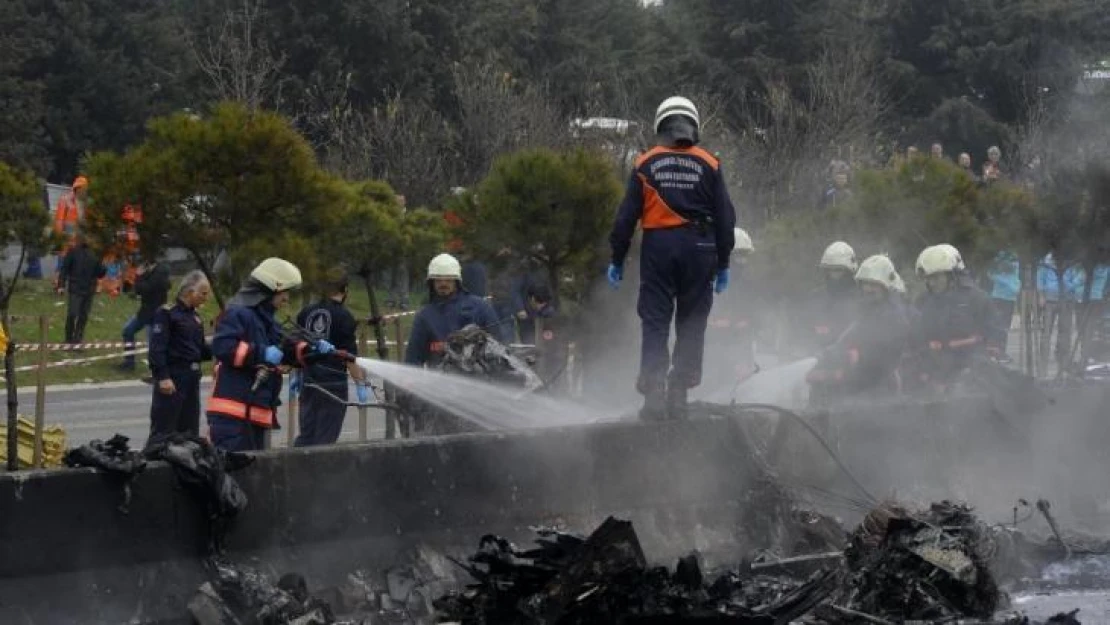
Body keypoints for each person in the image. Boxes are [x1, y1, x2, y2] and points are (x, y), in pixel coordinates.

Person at [607, 95, 738, 421]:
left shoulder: (645, 164)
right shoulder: (710, 164)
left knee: (656, 320)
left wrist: (617, 257)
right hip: (700, 249)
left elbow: (625, 218)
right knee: (692, 322)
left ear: (660, 123)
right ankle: (678, 393)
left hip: (659, 248)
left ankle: (653, 395)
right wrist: (723, 264)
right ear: (692, 124)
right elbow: (725, 217)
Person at [207, 258, 335, 452]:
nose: (286, 299)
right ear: (270, 290)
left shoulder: (266, 321)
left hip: (255, 414)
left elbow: (287, 350)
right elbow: (223, 347)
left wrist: (312, 351)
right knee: (236, 477)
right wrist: (261, 353)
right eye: (285, 292)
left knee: (255, 477)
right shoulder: (238, 314)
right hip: (233, 416)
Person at [806, 254, 910, 402]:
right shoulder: (868, 313)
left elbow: (882, 357)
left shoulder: (893, 317)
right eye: (865, 284)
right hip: (862, 387)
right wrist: (830, 355)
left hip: (880, 392)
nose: (868, 289)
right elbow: (849, 339)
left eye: (874, 285)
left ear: (885, 287)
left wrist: (850, 357)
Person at [292, 268, 368, 447]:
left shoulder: (306, 312)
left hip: (308, 383)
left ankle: (298, 469)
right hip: (333, 386)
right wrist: (360, 385)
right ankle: (316, 474)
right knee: (325, 441)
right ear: (345, 290)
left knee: (306, 435)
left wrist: (297, 374)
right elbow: (349, 357)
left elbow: (295, 347)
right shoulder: (344, 316)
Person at [912, 245, 996, 391]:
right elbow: (916, 339)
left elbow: (993, 338)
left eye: (936, 277)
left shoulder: (977, 299)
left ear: (953, 275)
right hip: (931, 372)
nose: (931, 283)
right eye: (928, 278)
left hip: (970, 372)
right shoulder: (922, 302)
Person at [145, 271, 212, 448]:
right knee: (165, 430)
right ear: (189, 292)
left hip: (192, 379)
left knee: (189, 430)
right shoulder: (167, 314)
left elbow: (201, 350)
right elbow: (157, 348)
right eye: (203, 293)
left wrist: (221, 344)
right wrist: (162, 376)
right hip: (173, 378)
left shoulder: (195, 317)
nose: (206, 298)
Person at [405, 253, 505, 367]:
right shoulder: (425, 315)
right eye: (438, 280)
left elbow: (500, 349)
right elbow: (413, 358)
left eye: (448, 280)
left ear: (456, 281)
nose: (443, 283)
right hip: (438, 381)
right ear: (431, 282)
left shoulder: (480, 308)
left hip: (477, 380)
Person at [703, 227, 757, 393]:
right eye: (739, 256)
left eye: (745, 256)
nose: (743, 262)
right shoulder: (710, 282)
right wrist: (726, 325)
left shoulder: (747, 285)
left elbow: (751, 321)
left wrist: (746, 361)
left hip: (738, 355)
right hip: (713, 356)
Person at [795, 241, 860, 356]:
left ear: (850, 271)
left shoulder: (862, 300)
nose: (833, 274)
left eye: (838, 270)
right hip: (816, 363)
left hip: (851, 365)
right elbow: (803, 334)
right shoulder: (815, 298)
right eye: (829, 270)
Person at [119, 258, 171, 371]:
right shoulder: (157, 272)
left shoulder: (158, 274)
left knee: (152, 343)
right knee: (128, 331)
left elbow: (143, 288)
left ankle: (156, 371)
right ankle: (129, 362)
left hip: (153, 313)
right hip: (146, 311)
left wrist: (138, 276)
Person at [56, 234, 106, 345]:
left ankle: (77, 339)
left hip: (89, 289)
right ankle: (68, 338)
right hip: (75, 288)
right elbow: (64, 269)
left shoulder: (95, 254)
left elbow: (100, 273)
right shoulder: (73, 252)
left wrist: (103, 267)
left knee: (83, 315)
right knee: (72, 314)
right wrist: (61, 285)